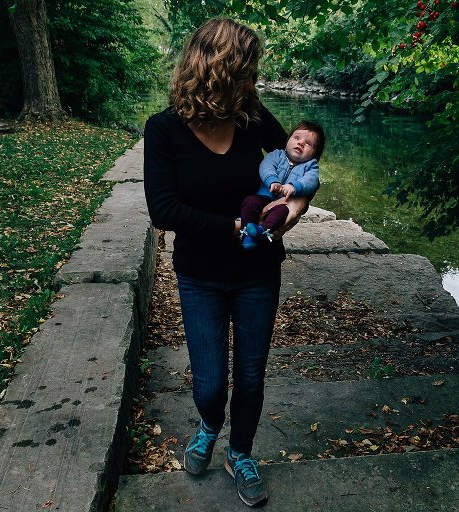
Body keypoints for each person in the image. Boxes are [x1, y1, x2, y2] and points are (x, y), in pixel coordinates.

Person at [143, 17, 307, 507]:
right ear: (220, 70)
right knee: (211, 384)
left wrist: (295, 206)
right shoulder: (164, 130)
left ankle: (240, 452)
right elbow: (163, 210)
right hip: (199, 275)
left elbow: (300, 163)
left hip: (258, 272)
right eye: (248, 71)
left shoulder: (252, 117)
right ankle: (210, 424)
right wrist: (232, 227)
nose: (254, 81)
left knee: (251, 377)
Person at [239, 120, 325, 250]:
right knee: (250, 202)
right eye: (296, 138)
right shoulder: (276, 155)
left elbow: (311, 181)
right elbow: (266, 167)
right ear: (287, 140)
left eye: (308, 144)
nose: (301, 143)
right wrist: (272, 180)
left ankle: (262, 231)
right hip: (264, 196)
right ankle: (247, 232)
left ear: (315, 153)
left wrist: (295, 187)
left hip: (284, 202)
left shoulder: (311, 166)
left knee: (282, 212)